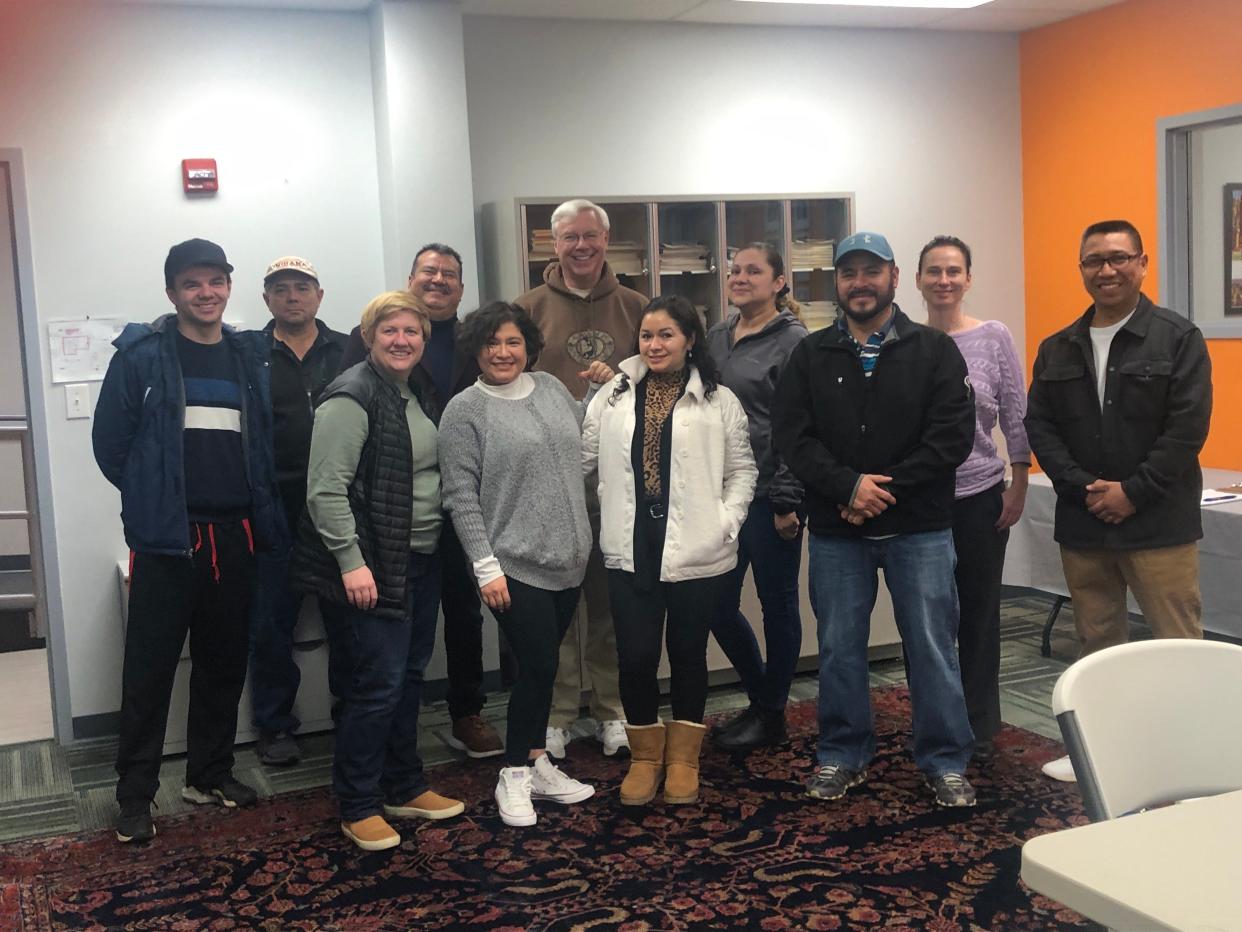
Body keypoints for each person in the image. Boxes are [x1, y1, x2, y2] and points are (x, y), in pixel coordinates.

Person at [772, 231, 979, 808]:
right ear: (836, 283)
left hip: (921, 529)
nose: (859, 283)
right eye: (848, 273)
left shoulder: (934, 350)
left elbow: (951, 438)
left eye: (871, 271)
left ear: (893, 276)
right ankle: (842, 755)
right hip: (840, 532)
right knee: (839, 647)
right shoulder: (810, 355)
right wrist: (846, 487)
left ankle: (944, 761)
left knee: (932, 647)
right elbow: (793, 436)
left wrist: (879, 490)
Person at [93, 238, 284, 844]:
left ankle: (210, 774)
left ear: (229, 287)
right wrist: (154, 496)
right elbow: (111, 446)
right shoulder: (143, 356)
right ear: (172, 292)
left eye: (216, 281)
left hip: (237, 537)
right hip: (168, 542)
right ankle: (134, 796)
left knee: (224, 664)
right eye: (193, 284)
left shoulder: (248, 355)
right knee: (148, 673)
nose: (206, 293)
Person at [1025, 219, 1212, 783]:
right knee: (1096, 642)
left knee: (1177, 644)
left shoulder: (1178, 338)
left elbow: (1187, 429)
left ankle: (1193, 758)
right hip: (1085, 523)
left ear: (1141, 263)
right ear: (1081, 268)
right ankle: (1100, 751)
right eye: (1093, 261)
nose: (1105, 270)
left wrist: (1133, 492)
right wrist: (1085, 488)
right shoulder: (1058, 347)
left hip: (1159, 521)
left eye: (1118, 258)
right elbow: (1040, 426)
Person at [290, 290, 464, 851]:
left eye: (411, 332)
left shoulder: (415, 391)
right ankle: (359, 802)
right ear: (368, 338)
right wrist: (351, 563)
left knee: (408, 678)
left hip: (418, 557)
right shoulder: (351, 395)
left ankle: (404, 784)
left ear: (424, 340)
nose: (401, 340)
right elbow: (324, 492)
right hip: (369, 567)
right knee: (376, 687)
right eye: (388, 330)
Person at [439, 303, 613, 826]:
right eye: (491, 343)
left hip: (570, 556)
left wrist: (600, 392)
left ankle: (537, 762)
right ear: (476, 349)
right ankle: (513, 774)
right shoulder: (464, 410)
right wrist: (484, 566)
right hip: (511, 562)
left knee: (547, 663)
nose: (502, 352)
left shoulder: (552, 388)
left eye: (512, 342)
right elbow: (461, 497)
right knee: (538, 666)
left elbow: (581, 439)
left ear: (528, 347)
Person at [583, 295, 757, 806]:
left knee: (687, 655)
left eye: (666, 335)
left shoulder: (718, 399)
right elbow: (583, 457)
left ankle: (683, 759)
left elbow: (742, 470)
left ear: (690, 340)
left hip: (697, 546)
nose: (654, 345)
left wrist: (726, 521)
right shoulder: (613, 394)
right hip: (630, 545)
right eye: (646, 336)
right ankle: (644, 757)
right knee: (635, 657)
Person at [339, 245, 503, 760]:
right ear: (411, 278)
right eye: (428, 272)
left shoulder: (477, 338)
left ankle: (466, 712)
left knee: (464, 613)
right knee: (393, 639)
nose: (438, 280)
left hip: (466, 500)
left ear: (461, 286)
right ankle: (371, 740)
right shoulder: (367, 347)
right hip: (393, 512)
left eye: (449, 275)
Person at [516, 198, 646, 759]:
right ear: (553, 243)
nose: (582, 246)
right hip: (550, 484)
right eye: (570, 237)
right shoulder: (526, 309)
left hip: (618, 483)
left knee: (612, 601)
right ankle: (559, 713)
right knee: (559, 607)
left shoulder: (639, 308)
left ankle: (612, 710)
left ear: (607, 239)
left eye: (591, 236)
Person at [915, 236, 1030, 757]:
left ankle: (981, 725)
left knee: (979, 613)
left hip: (982, 492)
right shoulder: (904, 342)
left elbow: (1015, 411)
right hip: (919, 500)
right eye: (933, 271)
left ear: (968, 278)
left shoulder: (992, 336)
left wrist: (1020, 480)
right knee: (927, 616)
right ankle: (936, 718)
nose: (944, 280)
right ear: (915, 280)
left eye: (954, 271)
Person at [706, 243, 809, 751]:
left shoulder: (794, 342)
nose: (741, 277)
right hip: (721, 495)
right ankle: (763, 699)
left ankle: (770, 713)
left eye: (754, 271)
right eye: (735, 270)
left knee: (777, 606)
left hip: (772, 495)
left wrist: (789, 500)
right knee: (716, 605)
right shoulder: (718, 336)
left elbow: (801, 424)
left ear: (779, 282)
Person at [248, 256, 349, 767]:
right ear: (266, 299)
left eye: (302, 287)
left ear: (319, 295)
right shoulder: (249, 353)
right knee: (272, 621)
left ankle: (350, 713)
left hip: (339, 502)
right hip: (275, 503)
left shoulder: (348, 349)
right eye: (281, 288)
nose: (292, 296)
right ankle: (274, 726)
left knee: (348, 616)